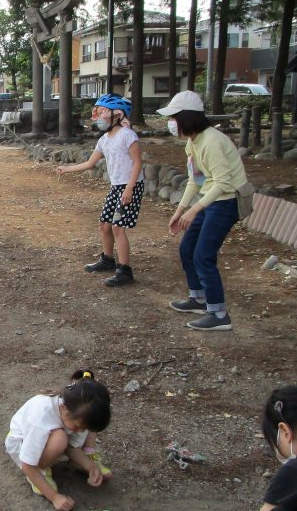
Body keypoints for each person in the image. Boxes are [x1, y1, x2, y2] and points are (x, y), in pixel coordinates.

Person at [158, 90, 248, 331]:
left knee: (203, 255)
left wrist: (194, 210)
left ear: (187, 117)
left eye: (174, 118)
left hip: (227, 202)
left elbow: (223, 183)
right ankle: (197, 298)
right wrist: (181, 210)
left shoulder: (213, 141)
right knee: (187, 249)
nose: (171, 123)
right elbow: (195, 180)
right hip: (210, 200)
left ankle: (218, 314)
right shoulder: (193, 142)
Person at [57, 93, 144, 287]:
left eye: (102, 111)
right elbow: (90, 163)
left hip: (131, 186)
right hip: (116, 187)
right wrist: (67, 169)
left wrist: (129, 188)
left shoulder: (128, 135)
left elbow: (138, 163)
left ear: (117, 115)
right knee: (104, 224)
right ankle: (107, 260)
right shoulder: (104, 139)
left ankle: (124, 271)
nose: (98, 116)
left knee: (117, 227)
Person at [5, 368, 112, 511]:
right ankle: (41, 470)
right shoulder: (39, 419)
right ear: (64, 407)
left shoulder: (75, 412)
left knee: (88, 427)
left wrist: (90, 467)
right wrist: (54, 497)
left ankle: (86, 458)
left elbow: (72, 446)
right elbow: (27, 465)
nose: (81, 431)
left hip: (53, 435)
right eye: (78, 427)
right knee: (60, 438)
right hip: (22, 444)